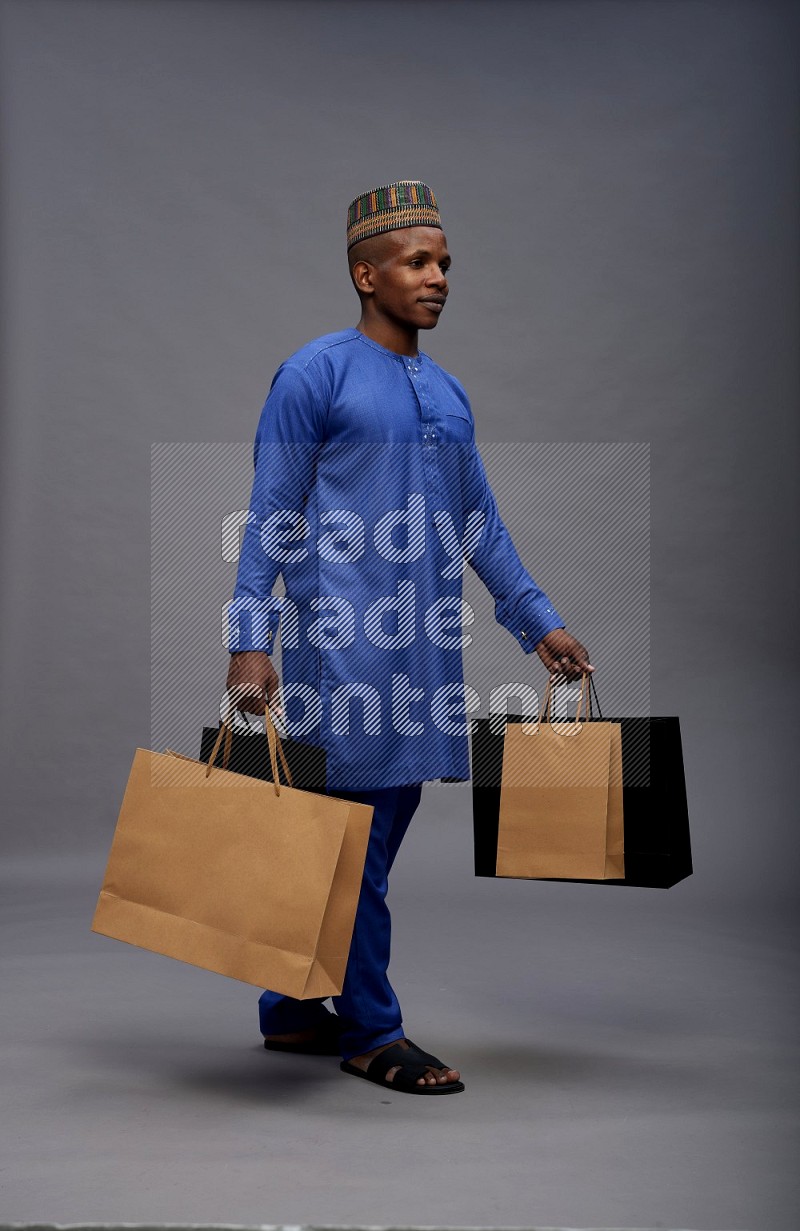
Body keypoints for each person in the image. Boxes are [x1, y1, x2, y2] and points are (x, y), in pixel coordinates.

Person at [224, 181, 593, 1096]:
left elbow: (479, 522)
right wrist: (249, 638)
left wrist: (537, 621)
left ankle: (291, 1007)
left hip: (423, 646)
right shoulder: (316, 372)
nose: (437, 279)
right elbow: (269, 513)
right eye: (418, 262)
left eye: (444, 264)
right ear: (366, 272)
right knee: (358, 843)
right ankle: (372, 1030)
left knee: (352, 836)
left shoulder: (448, 391)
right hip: (338, 646)